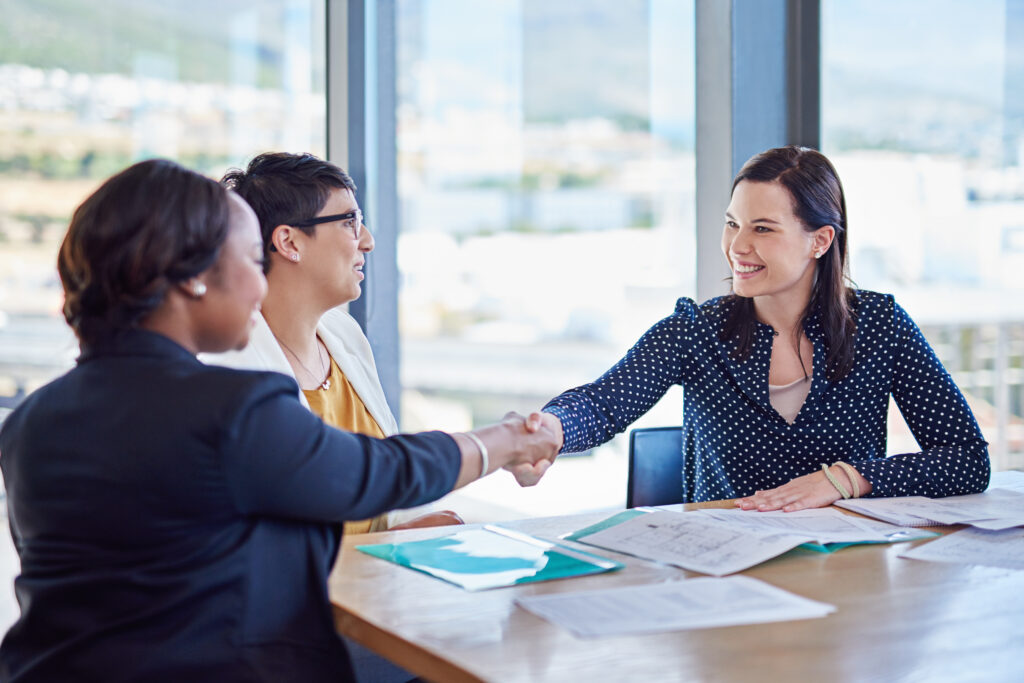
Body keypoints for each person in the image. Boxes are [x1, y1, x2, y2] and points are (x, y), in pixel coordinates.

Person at [0, 159, 559, 682]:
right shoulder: (228, 408)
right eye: (249, 260)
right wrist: (504, 440)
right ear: (194, 278)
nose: (260, 283)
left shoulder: (30, 424)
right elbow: (376, 472)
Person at [523, 145, 990, 510]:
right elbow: (602, 405)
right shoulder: (696, 331)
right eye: (732, 224)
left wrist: (844, 479)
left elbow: (968, 460)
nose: (737, 246)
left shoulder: (880, 325)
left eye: (763, 229)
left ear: (820, 240)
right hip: (724, 576)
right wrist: (550, 429)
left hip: (848, 571)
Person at [210, 152, 459, 533]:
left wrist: (407, 529)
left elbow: (379, 491)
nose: (368, 241)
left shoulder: (345, 336)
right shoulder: (226, 369)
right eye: (349, 222)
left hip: (366, 588)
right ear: (289, 241)